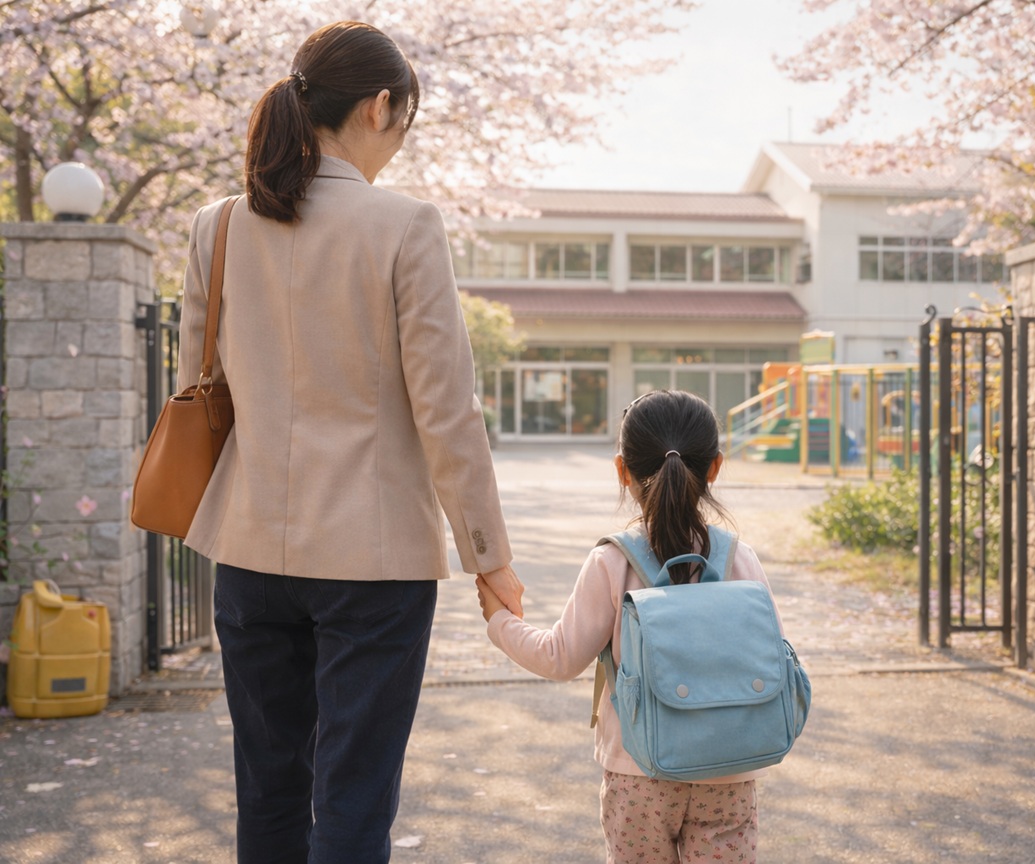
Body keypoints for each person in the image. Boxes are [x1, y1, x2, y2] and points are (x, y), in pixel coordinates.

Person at [177, 21, 524, 864]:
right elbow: (446, 409)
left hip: (250, 554)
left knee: (266, 789)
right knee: (355, 800)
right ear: (379, 108)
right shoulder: (404, 226)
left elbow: (195, 385)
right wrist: (489, 556)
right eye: (404, 117)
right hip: (375, 568)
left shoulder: (217, 227)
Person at [477, 390, 780, 864]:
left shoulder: (613, 562)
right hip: (730, 771)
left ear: (622, 470)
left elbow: (559, 658)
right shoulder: (740, 558)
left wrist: (499, 621)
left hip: (638, 772)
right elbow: (774, 653)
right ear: (716, 467)